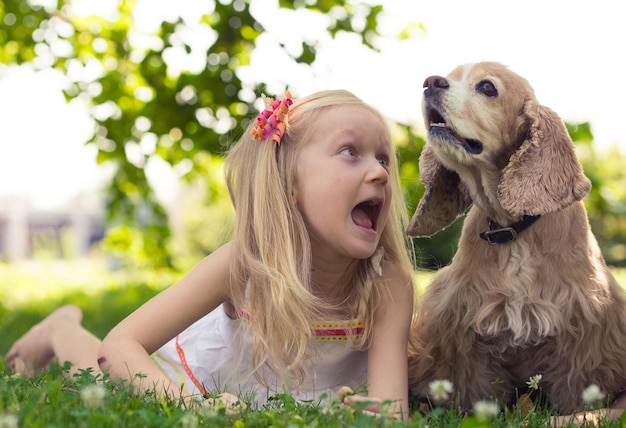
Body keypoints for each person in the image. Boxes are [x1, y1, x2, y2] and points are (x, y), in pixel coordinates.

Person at [5, 90, 415, 419]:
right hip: (198, 383)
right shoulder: (246, 262)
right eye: (350, 151)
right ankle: (60, 328)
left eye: (383, 158)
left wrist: (372, 413)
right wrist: (194, 409)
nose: (380, 172)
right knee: (96, 376)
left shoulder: (388, 283)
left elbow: (390, 412)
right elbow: (120, 346)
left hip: (279, 404)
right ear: (289, 183)